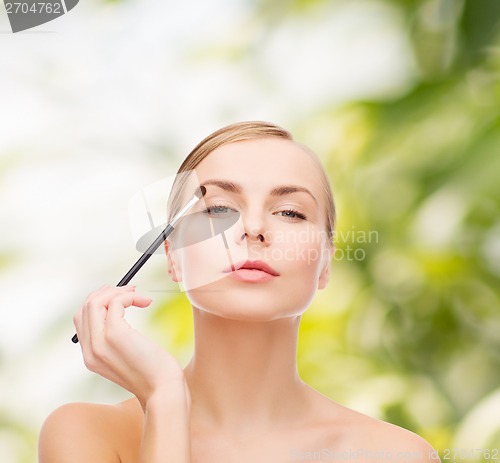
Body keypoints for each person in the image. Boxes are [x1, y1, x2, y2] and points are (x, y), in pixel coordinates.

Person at [38, 121, 439, 463]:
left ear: (325, 263)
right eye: (218, 209)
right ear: (173, 256)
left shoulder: (396, 454)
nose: (253, 228)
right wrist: (164, 399)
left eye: (290, 212)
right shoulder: (86, 435)